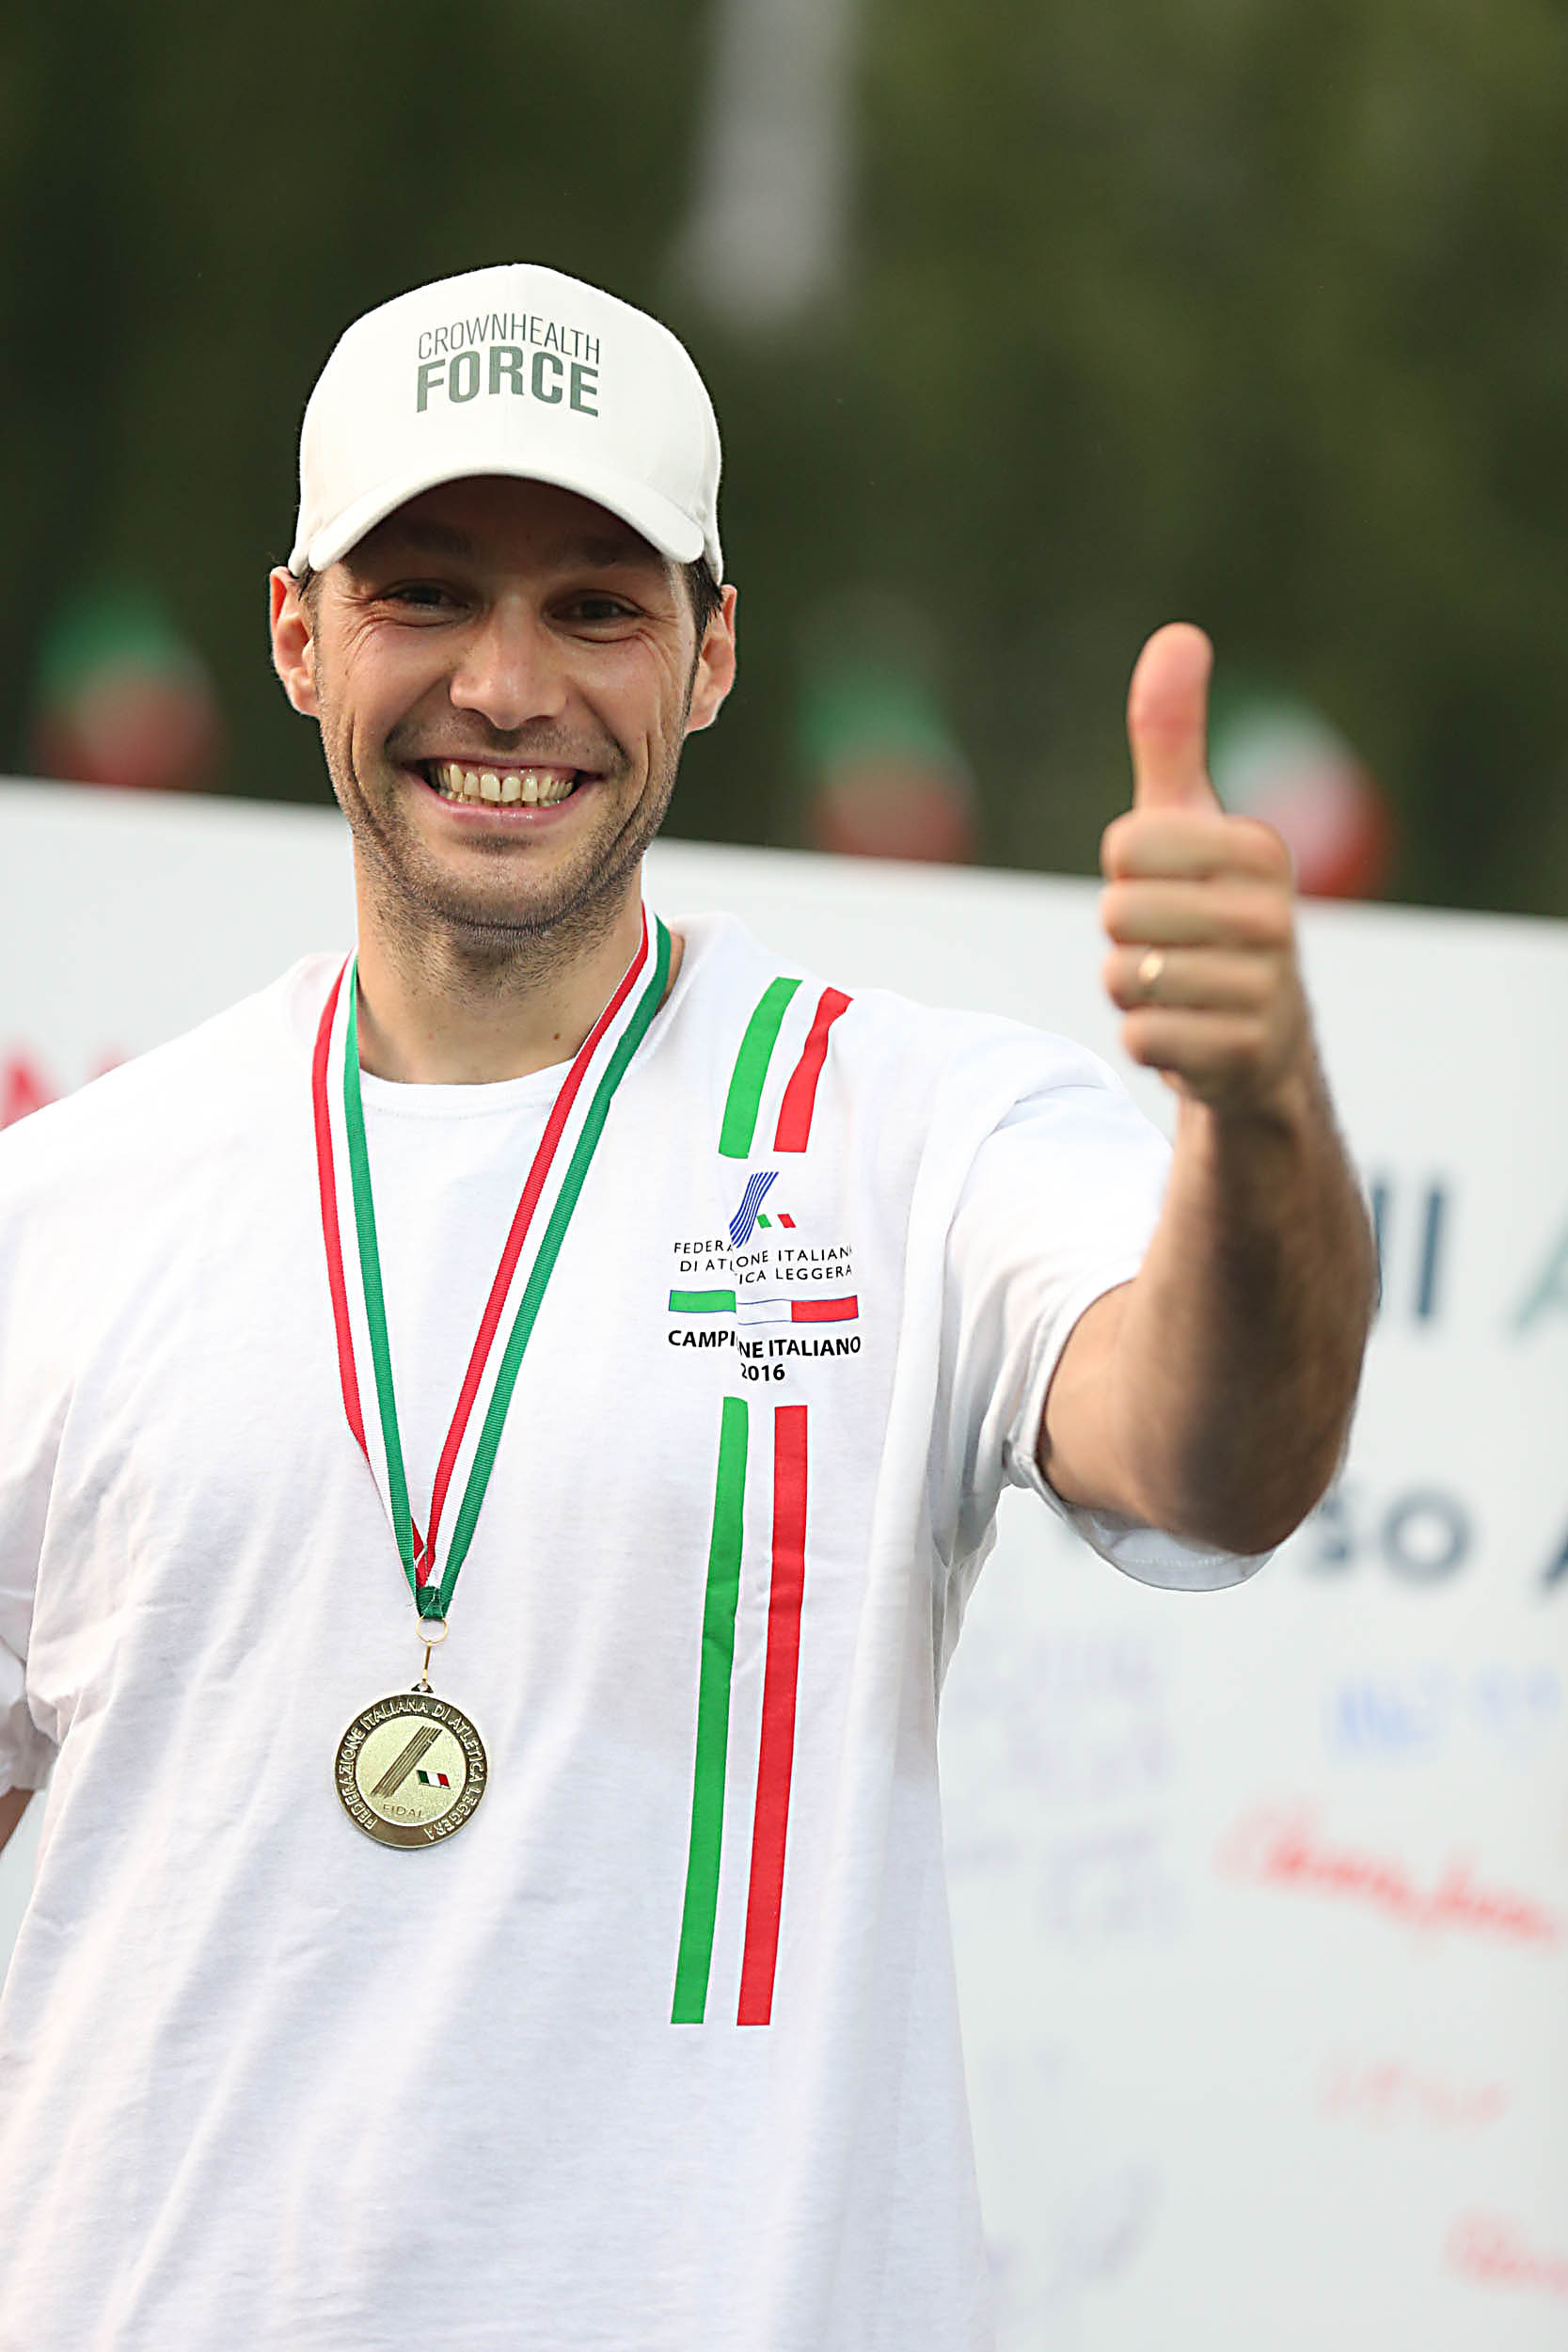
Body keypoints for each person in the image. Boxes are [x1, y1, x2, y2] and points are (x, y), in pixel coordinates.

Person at [0, 262, 1373, 2350]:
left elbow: (1218, 1458)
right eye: (426, 592)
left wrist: (1265, 1119)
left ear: (713, 653)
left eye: (596, 607)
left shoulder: (918, 1134)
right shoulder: (68, 1204)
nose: (505, 686)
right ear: (296, 632)